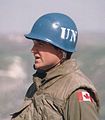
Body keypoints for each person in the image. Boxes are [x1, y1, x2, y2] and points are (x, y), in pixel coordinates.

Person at [11, 13, 100, 120]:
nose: (33, 50)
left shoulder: (76, 93)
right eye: (34, 44)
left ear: (60, 50)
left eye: (40, 44)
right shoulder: (38, 85)